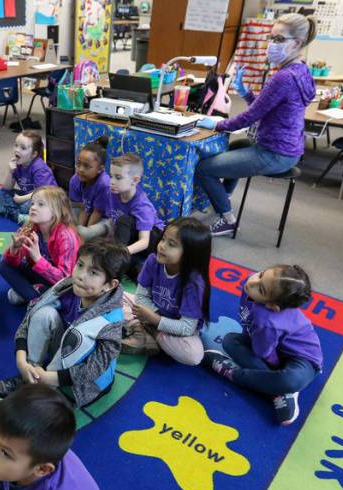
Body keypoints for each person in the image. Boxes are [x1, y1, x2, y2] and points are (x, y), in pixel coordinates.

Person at [194, 14, 317, 237]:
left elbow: (250, 116)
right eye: (271, 38)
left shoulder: (284, 77)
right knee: (238, 146)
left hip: (275, 153)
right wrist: (245, 92)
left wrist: (217, 124)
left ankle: (227, 219)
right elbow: (265, 108)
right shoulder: (302, 71)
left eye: (278, 39)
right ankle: (224, 197)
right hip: (289, 149)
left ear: (297, 43)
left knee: (203, 169)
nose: (271, 44)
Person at [0, 237, 128, 408]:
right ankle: (32, 375)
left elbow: (95, 368)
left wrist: (50, 378)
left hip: (85, 382)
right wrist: (22, 360)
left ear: (109, 285)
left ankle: (45, 386)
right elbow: (31, 315)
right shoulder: (66, 286)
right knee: (43, 314)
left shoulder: (111, 320)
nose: (80, 276)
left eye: (93, 273)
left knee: (79, 337)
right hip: (63, 354)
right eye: (79, 265)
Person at [203, 264, 322, 425]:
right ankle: (278, 393)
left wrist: (275, 368)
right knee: (230, 341)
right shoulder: (251, 284)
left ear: (272, 306)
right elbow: (249, 330)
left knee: (290, 380)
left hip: (302, 360)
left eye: (261, 289)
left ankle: (234, 374)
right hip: (267, 345)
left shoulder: (266, 320)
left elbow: (263, 354)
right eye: (261, 275)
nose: (252, 282)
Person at [123, 218, 211, 365]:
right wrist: (152, 314)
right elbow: (141, 296)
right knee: (110, 295)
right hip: (152, 312)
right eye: (163, 239)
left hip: (175, 327)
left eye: (172, 244)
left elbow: (187, 328)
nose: (162, 246)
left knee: (193, 355)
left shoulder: (194, 283)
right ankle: (145, 330)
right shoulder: (153, 260)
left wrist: (154, 320)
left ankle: (150, 333)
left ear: (189, 255)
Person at [0, 186, 81, 306]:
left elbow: (65, 281)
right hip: (40, 277)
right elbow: (13, 264)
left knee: (15, 297)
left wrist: (38, 259)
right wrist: (15, 249)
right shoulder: (31, 227)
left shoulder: (66, 236)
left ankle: (33, 297)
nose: (33, 207)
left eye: (41, 204)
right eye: (32, 203)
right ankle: (37, 296)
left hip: (61, 285)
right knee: (3, 264)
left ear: (56, 211)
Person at [99, 153, 164, 277]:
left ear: (135, 180)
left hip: (153, 239)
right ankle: (132, 266)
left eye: (118, 177)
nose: (111, 182)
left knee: (124, 221)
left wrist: (120, 252)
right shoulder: (112, 193)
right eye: (111, 176)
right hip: (131, 236)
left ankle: (121, 263)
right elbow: (113, 220)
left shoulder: (142, 206)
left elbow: (144, 241)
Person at [0, 131, 57, 223]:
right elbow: (7, 187)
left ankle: (13, 213)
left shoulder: (39, 168)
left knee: (26, 206)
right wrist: (10, 172)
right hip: (28, 195)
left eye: (23, 148)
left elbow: (43, 193)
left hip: (46, 200)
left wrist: (20, 199)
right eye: (16, 145)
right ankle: (21, 215)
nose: (17, 150)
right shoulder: (18, 163)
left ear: (34, 154)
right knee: (0, 192)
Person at [70, 136, 111, 237]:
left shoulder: (104, 184)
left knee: (84, 234)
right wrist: (79, 230)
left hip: (106, 218)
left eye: (87, 166)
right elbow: (84, 207)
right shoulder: (76, 179)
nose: (80, 169)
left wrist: (84, 235)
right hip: (89, 212)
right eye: (78, 164)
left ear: (100, 169)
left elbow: (97, 212)